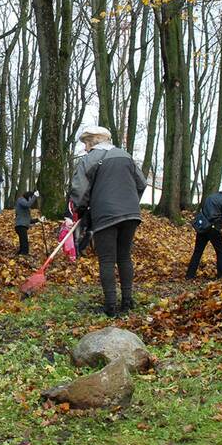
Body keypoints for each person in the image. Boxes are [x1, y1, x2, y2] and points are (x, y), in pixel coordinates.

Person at [68, 125, 147, 317]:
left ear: (92, 141)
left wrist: (81, 209)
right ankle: (127, 301)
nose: (85, 149)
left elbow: (79, 190)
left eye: (86, 144)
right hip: (131, 214)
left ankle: (111, 305)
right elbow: (141, 183)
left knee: (107, 259)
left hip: (105, 214)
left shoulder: (89, 159)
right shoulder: (126, 156)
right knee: (124, 257)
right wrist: (130, 202)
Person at [14, 190, 39, 255]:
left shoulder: (25, 209)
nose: (31, 200)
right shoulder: (21, 200)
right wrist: (35, 196)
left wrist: (38, 220)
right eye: (31, 198)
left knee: (23, 242)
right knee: (24, 243)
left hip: (22, 226)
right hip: (20, 225)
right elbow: (28, 204)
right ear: (28, 196)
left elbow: (29, 220)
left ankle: (20, 254)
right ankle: (23, 255)